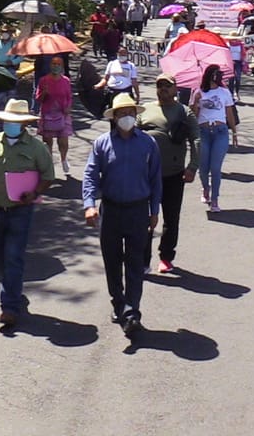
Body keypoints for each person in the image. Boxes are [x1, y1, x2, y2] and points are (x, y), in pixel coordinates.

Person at [0, 99, 55, 328]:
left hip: (20, 211)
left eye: (16, 122)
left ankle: (10, 306)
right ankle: (12, 286)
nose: (11, 125)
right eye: (8, 121)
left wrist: (35, 192)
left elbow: (48, 176)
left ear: (24, 124)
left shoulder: (37, 148)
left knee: (13, 256)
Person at [83, 93, 163, 337]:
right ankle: (118, 303)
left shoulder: (148, 144)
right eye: (122, 113)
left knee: (135, 264)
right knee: (112, 261)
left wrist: (154, 210)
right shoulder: (102, 144)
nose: (127, 117)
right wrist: (89, 204)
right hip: (111, 210)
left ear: (136, 116)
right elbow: (90, 175)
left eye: (130, 113)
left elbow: (155, 179)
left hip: (138, 210)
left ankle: (132, 312)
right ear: (114, 117)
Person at [139, 74, 199, 274]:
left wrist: (192, 167)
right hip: (145, 174)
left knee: (171, 218)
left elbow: (196, 140)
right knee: (145, 218)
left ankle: (166, 256)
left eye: (167, 85)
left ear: (176, 89)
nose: (163, 88)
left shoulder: (184, 112)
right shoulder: (145, 109)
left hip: (173, 174)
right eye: (160, 85)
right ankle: (142, 260)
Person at [191, 64, 236, 213]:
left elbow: (229, 113)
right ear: (209, 75)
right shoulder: (198, 92)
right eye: (216, 74)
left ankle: (215, 199)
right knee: (203, 168)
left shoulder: (224, 92)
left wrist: (234, 132)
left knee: (215, 168)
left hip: (220, 132)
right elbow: (193, 116)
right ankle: (205, 188)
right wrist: (196, 102)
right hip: (203, 131)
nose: (218, 77)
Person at [36, 55, 75, 176]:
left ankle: (63, 159)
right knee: (47, 142)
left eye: (58, 64)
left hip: (62, 114)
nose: (55, 66)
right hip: (48, 114)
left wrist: (68, 107)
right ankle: (49, 164)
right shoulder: (44, 80)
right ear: (50, 65)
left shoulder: (66, 81)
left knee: (63, 141)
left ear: (62, 66)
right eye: (53, 63)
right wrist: (44, 93)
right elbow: (38, 99)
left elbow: (69, 97)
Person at [94, 46, 140, 111]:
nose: (122, 55)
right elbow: (106, 78)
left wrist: (137, 95)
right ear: (117, 54)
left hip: (125, 93)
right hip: (112, 92)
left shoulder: (131, 66)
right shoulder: (111, 64)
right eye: (120, 53)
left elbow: (134, 82)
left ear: (127, 54)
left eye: (124, 53)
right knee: (111, 113)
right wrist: (99, 85)